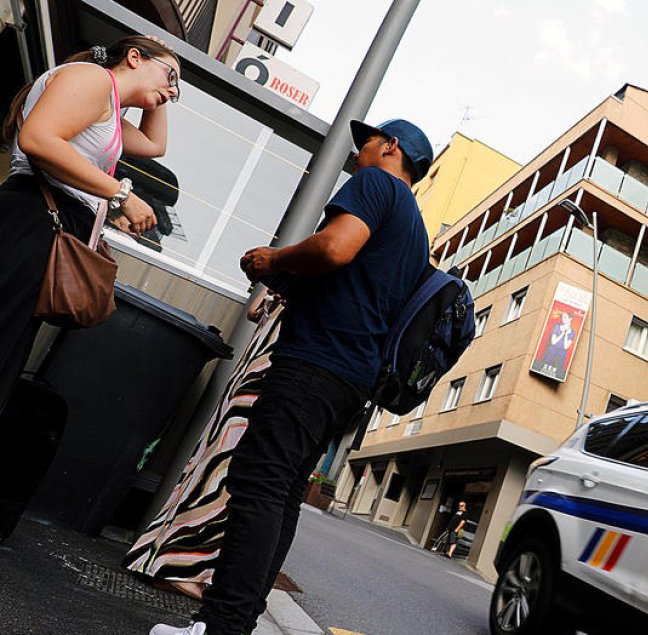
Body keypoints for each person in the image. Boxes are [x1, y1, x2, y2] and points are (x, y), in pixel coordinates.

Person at [151, 118, 434, 635]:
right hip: (351, 377)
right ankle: (235, 620)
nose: (356, 155)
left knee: (258, 483)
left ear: (391, 148)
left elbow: (333, 249)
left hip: (315, 362)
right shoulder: (416, 229)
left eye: (365, 143)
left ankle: (220, 626)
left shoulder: (376, 185)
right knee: (281, 492)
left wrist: (272, 257)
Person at [0, 36, 173, 418]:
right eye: (171, 75)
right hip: (31, 219)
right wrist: (121, 194)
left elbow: (154, 145)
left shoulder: (109, 104)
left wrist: (162, 79)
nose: (173, 90)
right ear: (133, 57)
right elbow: (37, 138)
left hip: (47, 227)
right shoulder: (91, 80)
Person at [124, 290, 285, 601]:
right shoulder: (320, 265)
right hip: (277, 366)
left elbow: (254, 310)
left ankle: (162, 557)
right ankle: (184, 568)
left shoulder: (292, 261)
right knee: (234, 466)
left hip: (256, 360)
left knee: (214, 457)